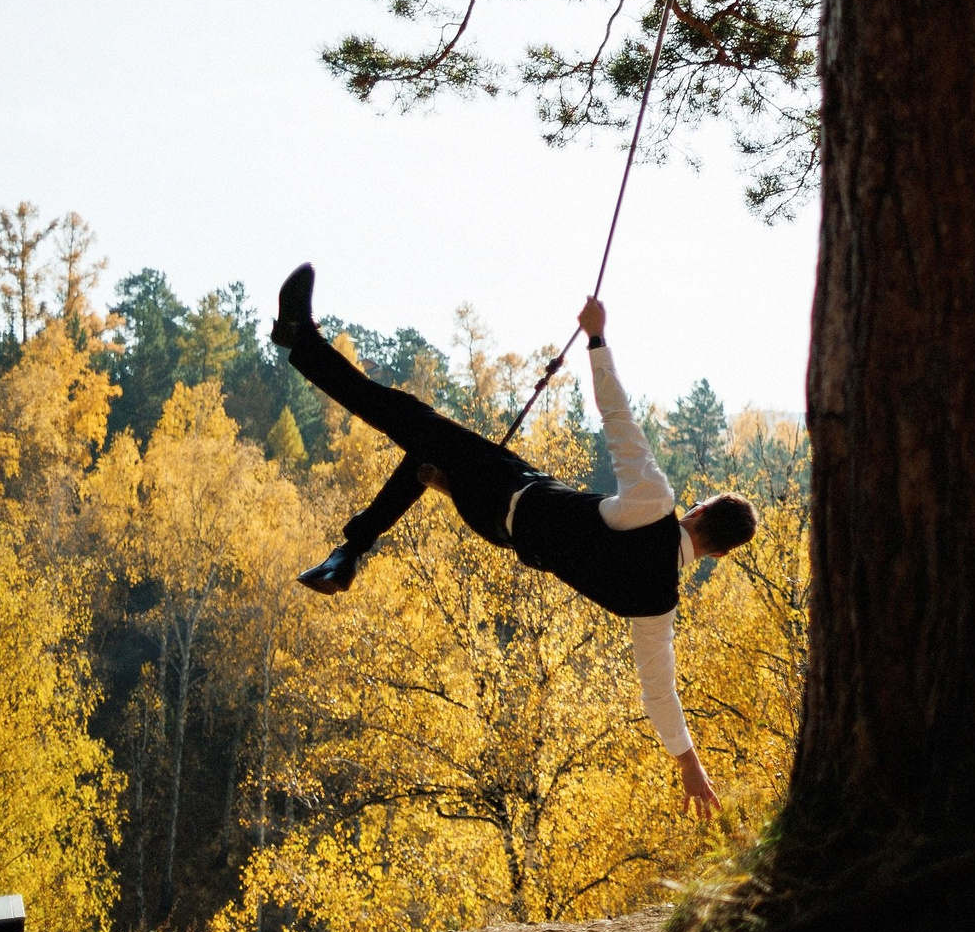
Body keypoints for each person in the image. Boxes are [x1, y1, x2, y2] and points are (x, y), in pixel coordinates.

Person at [268, 265, 756, 814]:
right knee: (424, 451)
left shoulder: (653, 503)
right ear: (714, 552)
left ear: (700, 508)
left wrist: (596, 335)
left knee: (406, 416)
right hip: (499, 523)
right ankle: (351, 550)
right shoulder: (658, 608)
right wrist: (690, 765)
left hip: (508, 487)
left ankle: (300, 341)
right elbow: (660, 695)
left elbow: (617, 416)